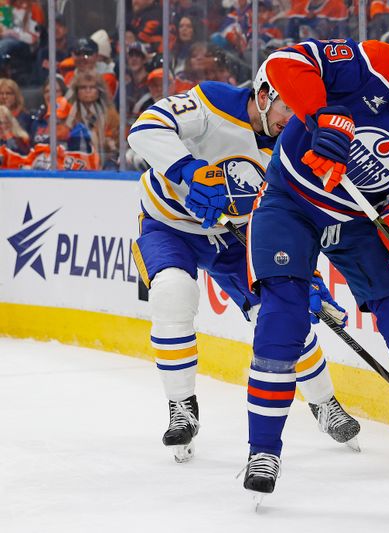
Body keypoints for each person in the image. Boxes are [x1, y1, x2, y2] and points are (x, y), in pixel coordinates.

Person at [228, 32, 389, 501]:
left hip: (355, 219)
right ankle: (262, 451)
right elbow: (284, 62)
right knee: (283, 318)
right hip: (291, 201)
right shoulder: (375, 61)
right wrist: (322, 115)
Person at [127, 60, 362, 464]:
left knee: (282, 315)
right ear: (265, 93)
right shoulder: (216, 102)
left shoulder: (295, 142)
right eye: (287, 107)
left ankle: (324, 403)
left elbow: (295, 216)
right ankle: (181, 407)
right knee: (172, 294)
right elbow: (145, 129)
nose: (294, 118)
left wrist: (306, 276)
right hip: (171, 226)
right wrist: (189, 170)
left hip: (240, 239)